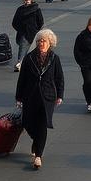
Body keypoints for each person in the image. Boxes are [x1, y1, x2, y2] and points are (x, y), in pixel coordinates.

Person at [15, 28, 64, 169]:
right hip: (30, 95)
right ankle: (36, 141)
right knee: (27, 122)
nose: (42, 43)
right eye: (39, 41)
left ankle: (38, 156)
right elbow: (22, 79)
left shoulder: (55, 59)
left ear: (50, 43)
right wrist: (19, 97)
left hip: (47, 97)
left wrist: (60, 95)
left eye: (44, 41)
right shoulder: (29, 58)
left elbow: (59, 78)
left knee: (42, 125)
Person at [11, 0, 44, 72]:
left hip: (32, 32)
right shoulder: (20, 9)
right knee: (24, 47)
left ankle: (21, 63)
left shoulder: (36, 9)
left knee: (29, 49)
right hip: (24, 32)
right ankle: (21, 63)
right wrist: (21, 29)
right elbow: (14, 22)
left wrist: (35, 29)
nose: (26, 1)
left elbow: (40, 21)